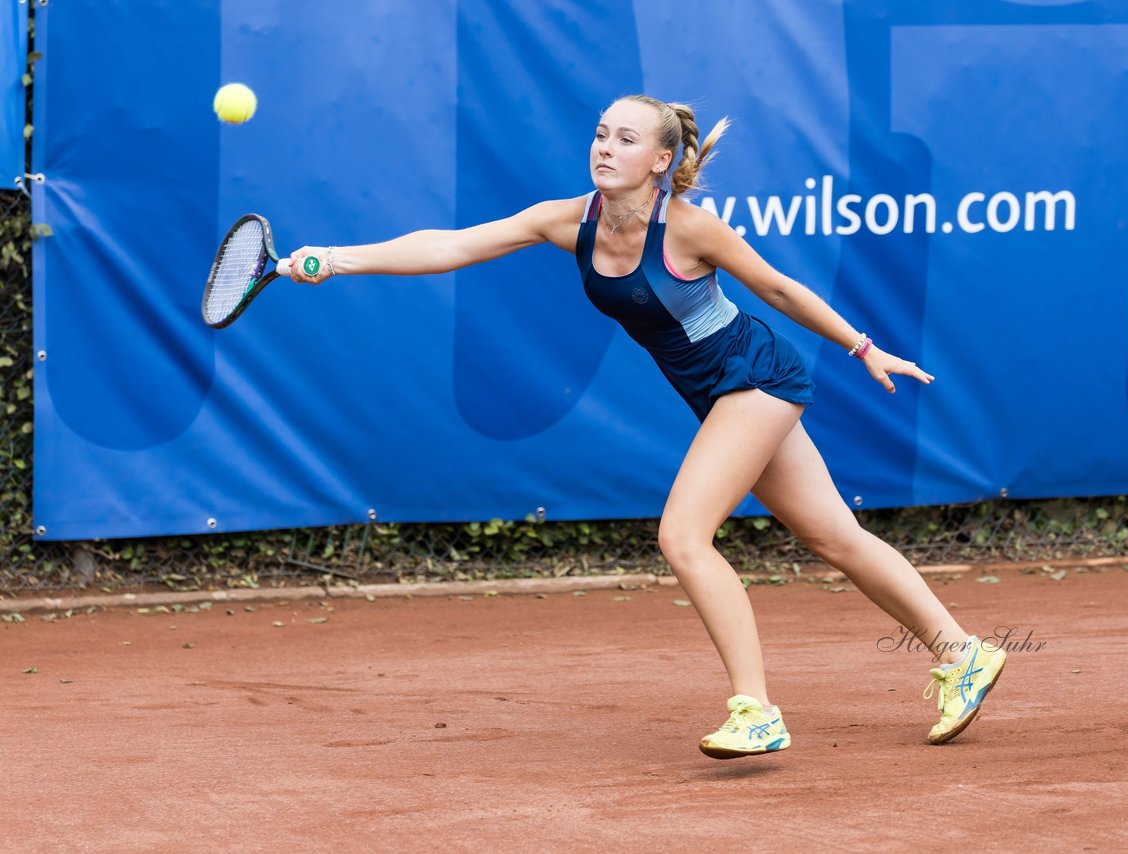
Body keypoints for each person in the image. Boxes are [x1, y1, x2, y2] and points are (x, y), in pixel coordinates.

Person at [287, 94, 1006, 758]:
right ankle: (962, 651)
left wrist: (863, 347)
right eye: (601, 134)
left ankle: (755, 707)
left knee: (682, 536)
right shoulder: (569, 220)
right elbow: (451, 245)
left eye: (625, 139)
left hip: (755, 377)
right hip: (718, 392)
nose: (604, 147)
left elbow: (779, 288)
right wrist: (338, 260)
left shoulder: (689, 227)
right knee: (832, 536)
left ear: (660, 161)